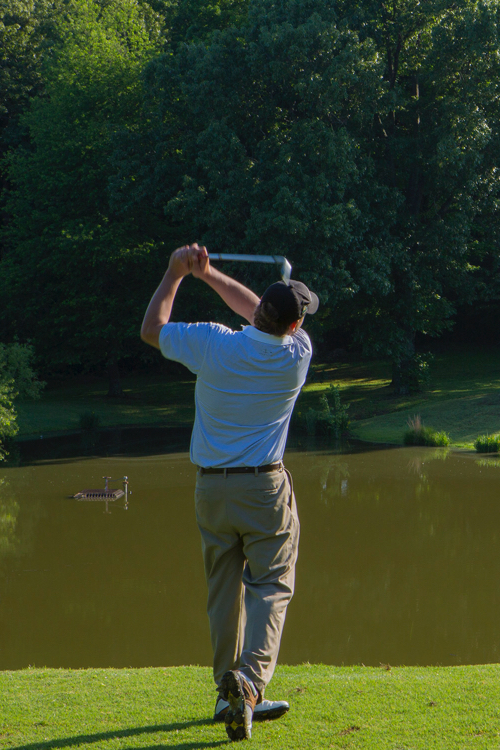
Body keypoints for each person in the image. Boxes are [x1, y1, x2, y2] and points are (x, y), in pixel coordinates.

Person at [140, 243, 318, 741]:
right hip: (264, 489)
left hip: (211, 490)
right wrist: (210, 274)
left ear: (259, 314)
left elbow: (152, 329)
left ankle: (227, 692)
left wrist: (180, 274)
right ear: (295, 325)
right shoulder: (298, 354)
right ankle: (250, 685)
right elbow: (262, 314)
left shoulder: (212, 342)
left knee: (223, 593)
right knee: (271, 586)